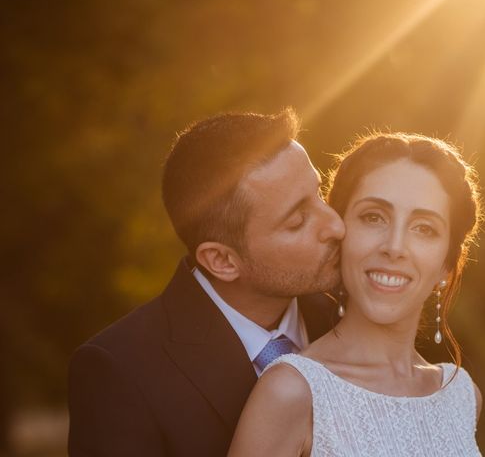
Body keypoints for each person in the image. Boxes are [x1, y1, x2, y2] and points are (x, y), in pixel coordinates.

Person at [67, 109, 345, 456]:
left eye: (319, 193)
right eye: (298, 221)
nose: (335, 225)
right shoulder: (120, 373)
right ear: (222, 260)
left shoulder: (349, 319)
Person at [229, 132, 484, 456]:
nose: (394, 247)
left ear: (447, 265)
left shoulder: (461, 396)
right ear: (340, 232)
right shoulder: (292, 391)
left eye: (424, 228)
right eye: (373, 217)